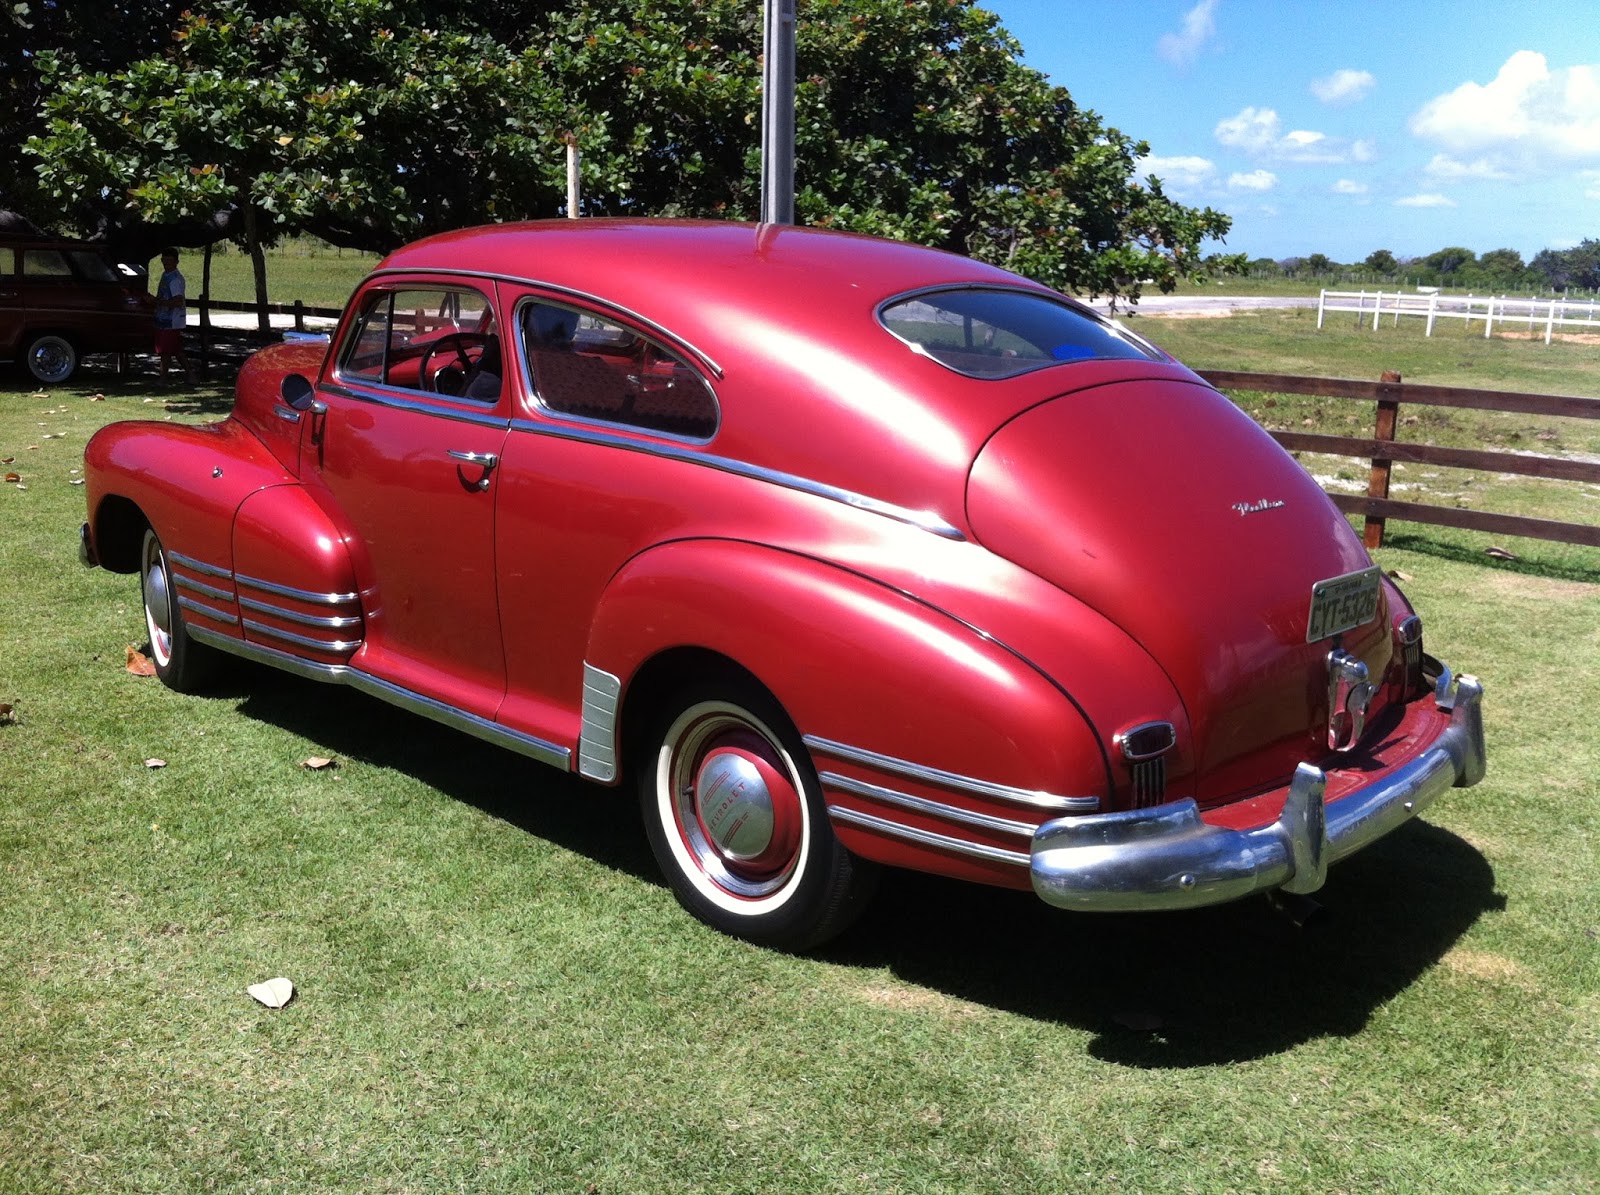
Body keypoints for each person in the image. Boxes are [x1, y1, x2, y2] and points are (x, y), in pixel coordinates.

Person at [153, 247, 194, 381]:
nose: (166, 264)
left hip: (171, 320)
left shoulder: (175, 279)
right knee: (175, 349)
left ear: (176, 262)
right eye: (164, 261)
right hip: (164, 318)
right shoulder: (165, 275)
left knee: (166, 350)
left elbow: (177, 301)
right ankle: (191, 375)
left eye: (169, 261)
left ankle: (163, 378)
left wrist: (159, 302)